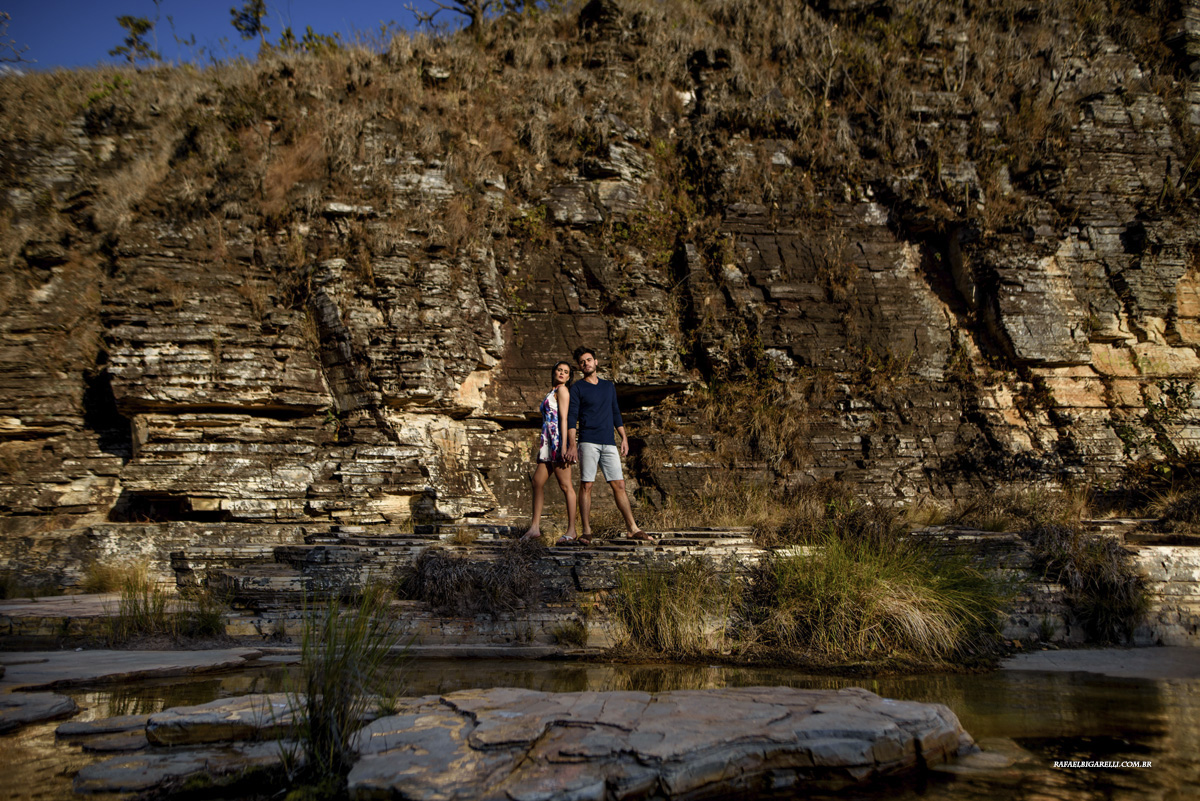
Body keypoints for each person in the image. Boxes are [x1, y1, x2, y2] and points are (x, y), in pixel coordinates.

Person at [564, 346, 651, 542]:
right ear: (580, 367)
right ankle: (586, 530)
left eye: (588, 360)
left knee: (619, 484)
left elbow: (615, 412)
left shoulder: (608, 386)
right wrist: (572, 444)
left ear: (596, 362)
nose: (586, 363)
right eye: (582, 362)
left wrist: (624, 437)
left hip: (609, 442)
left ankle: (632, 528)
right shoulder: (577, 388)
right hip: (588, 442)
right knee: (587, 485)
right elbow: (572, 418)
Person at [523, 361, 580, 545]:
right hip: (547, 441)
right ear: (554, 371)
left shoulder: (563, 390)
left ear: (569, 376)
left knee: (566, 486)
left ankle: (572, 530)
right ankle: (534, 528)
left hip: (557, 440)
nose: (562, 373)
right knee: (537, 482)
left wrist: (564, 445)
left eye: (566, 372)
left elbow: (564, 418)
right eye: (559, 370)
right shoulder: (553, 390)